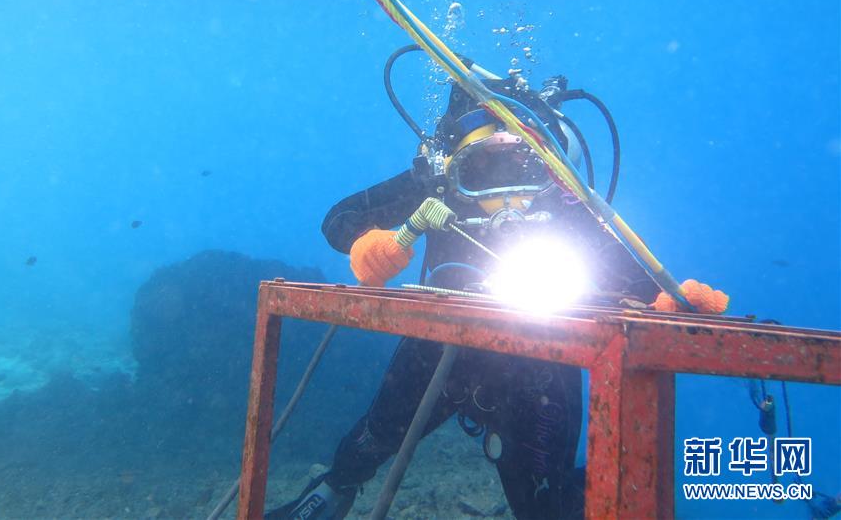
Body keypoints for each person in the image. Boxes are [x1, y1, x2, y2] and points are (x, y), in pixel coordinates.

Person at [267, 73, 728, 520]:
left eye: (522, 167)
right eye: (482, 170)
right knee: (370, 441)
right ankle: (332, 491)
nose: (505, 194)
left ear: (545, 165)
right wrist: (365, 241)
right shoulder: (436, 183)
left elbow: (625, 269)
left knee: (543, 502)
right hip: (439, 346)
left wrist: (667, 298)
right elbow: (339, 216)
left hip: (539, 359)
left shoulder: (563, 201)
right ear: (456, 167)